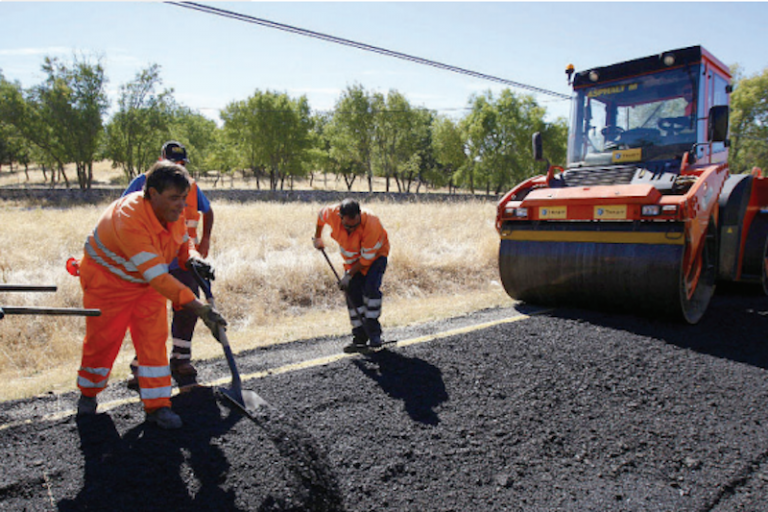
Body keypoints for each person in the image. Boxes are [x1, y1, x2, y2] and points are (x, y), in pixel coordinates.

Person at [75, 160, 226, 429]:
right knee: (103, 341)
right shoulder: (129, 218)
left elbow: (181, 242)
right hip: (109, 285)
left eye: (183, 198)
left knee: (154, 341)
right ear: (152, 193)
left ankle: (158, 406)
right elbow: (158, 277)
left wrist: (191, 257)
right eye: (174, 198)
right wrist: (199, 308)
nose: (181, 205)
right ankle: (88, 394)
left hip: (147, 285)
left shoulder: (172, 210)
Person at [122, 141, 215, 389]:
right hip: (149, 260)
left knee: (187, 307)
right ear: (160, 160)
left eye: (182, 164)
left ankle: (180, 360)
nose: (178, 167)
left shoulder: (191, 186)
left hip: (183, 259)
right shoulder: (142, 183)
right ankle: (141, 366)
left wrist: (203, 242)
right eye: (173, 163)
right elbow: (122, 214)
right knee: (149, 314)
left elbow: (207, 211)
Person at [313, 198, 389, 349]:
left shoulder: (371, 224)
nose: (351, 229)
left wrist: (348, 275)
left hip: (375, 258)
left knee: (370, 291)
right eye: (347, 225)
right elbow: (321, 216)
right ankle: (360, 337)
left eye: (355, 226)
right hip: (353, 261)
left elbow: (366, 259)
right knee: (352, 293)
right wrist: (318, 237)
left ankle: (374, 335)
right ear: (340, 217)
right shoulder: (332, 213)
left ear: (359, 215)